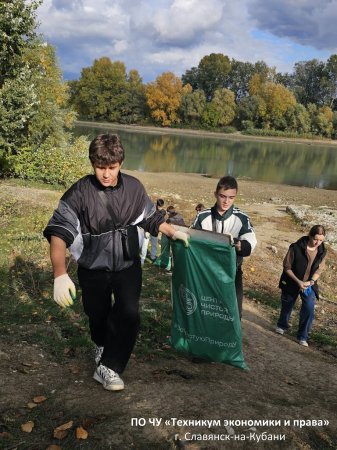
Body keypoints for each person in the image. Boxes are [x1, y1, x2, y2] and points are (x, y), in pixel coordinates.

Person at [43, 134, 189, 392]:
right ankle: (101, 343)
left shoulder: (133, 188)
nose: (106, 174)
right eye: (100, 167)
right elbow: (58, 232)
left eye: (111, 168)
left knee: (129, 314)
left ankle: (109, 368)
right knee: (97, 315)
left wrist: (171, 231)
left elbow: (150, 218)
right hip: (93, 268)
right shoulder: (79, 193)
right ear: (92, 164)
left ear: (120, 163)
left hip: (127, 264)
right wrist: (59, 274)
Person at [192, 175, 257, 318]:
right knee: (205, 311)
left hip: (232, 273)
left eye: (231, 197)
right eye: (222, 196)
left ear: (235, 196)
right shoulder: (202, 217)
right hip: (206, 272)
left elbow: (250, 242)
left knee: (234, 314)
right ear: (215, 194)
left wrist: (239, 244)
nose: (226, 201)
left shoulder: (242, 218)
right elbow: (192, 242)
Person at [275, 225, 326, 347]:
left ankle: (303, 336)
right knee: (288, 304)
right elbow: (287, 267)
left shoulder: (322, 251)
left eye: (321, 240)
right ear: (310, 236)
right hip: (292, 281)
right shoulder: (296, 247)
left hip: (309, 284)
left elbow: (320, 270)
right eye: (315, 239)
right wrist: (298, 282)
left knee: (309, 308)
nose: (317, 242)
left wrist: (311, 282)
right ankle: (282, 325)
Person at [159, 206, 187, 271]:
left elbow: (166, 230)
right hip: (180, 237)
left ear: (168, 213)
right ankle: (175, 268)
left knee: (168, 252)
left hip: (171, 237)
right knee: (176, 254)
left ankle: (165, 266)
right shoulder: (180, 217)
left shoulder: (169, 220)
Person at [140, 198, 165, 264]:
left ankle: (153, 257)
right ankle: (142, 259)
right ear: (157, 205)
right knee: (144, 245)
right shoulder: (151, 209)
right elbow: (145, 219)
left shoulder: (162, 212)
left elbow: (161, 222)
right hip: (147, 230)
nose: (160, 208)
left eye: (161, 207)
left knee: (154, 244)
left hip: (155, 232)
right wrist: (145, 230)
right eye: (159, 206)